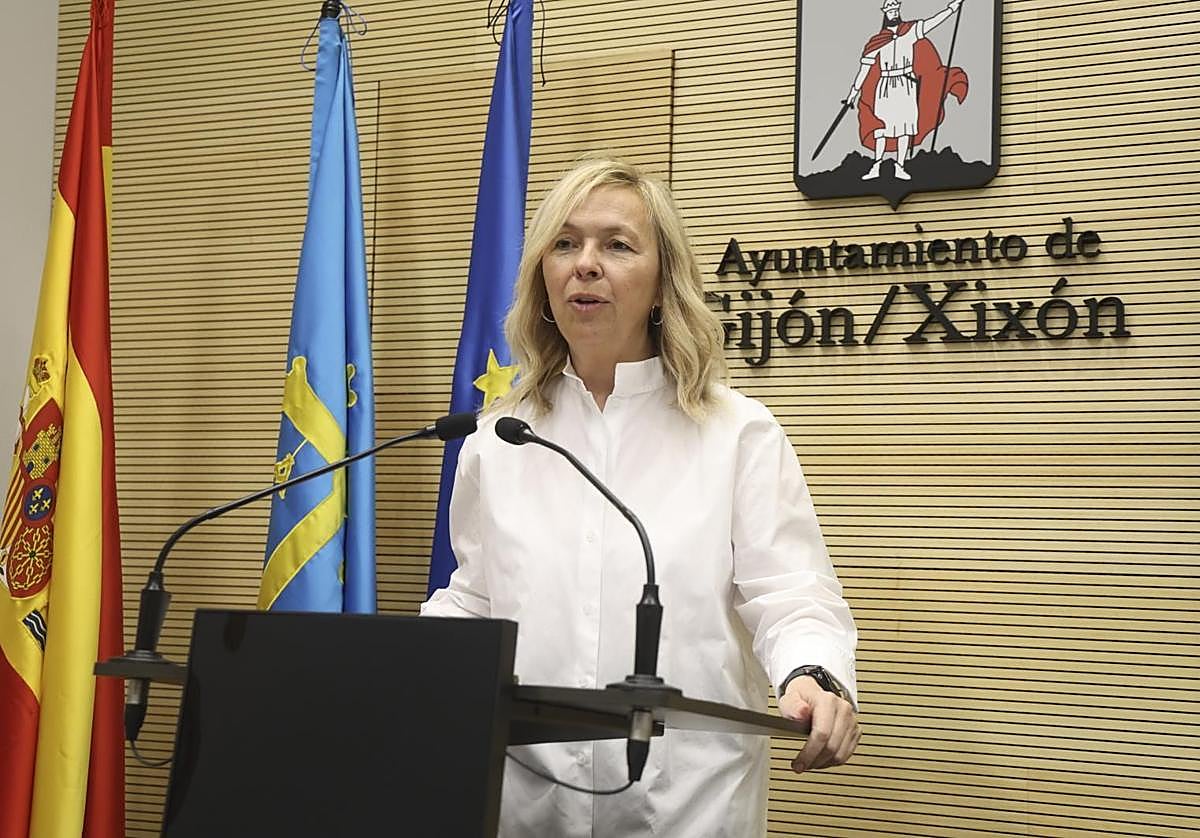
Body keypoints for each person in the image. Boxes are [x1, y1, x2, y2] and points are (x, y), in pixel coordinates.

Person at [421, 156, 859, 837]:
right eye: (564, 244)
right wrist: (397, 668)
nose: (584, 264)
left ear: (662, 284)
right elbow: (476, 597)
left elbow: (792, 595)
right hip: (526, 801)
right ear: (542, 275)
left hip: (688, 804)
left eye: (616, 245)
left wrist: (813, 673)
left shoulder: (737, 433)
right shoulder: (500, 438)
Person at [845, 0, 966, 180]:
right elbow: (865, 70)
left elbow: (932, 23)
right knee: (881, 127)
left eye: (895, 9)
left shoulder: (910, 32)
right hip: (885, 85)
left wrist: (951, 9)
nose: (893, 12)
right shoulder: (876, 42)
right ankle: (876, 165)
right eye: (889, 9)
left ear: (899, 10)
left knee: (905, 127)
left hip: (905, 84)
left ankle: (900, 166)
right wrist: (853, 93)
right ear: (885, 12)